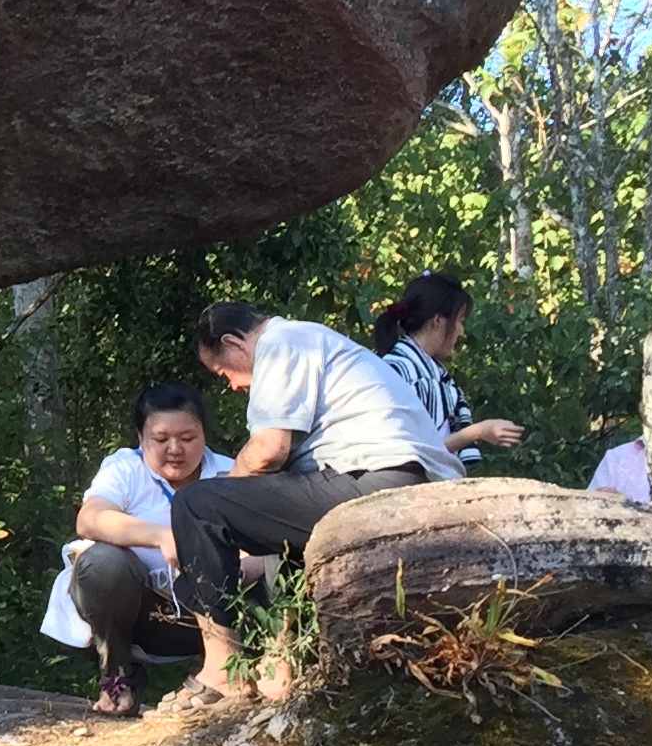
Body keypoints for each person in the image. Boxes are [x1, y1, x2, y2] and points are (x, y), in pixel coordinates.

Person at [170, 301, 461, 706]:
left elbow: (269, 450)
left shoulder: (281, 343)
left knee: (196, 504)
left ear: (234, 343)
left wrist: (224, 501)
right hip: (404, 486)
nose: (233, 386)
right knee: (274, 510)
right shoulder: (312, 338)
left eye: (224, 373)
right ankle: (282, 663)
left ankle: (221, 670)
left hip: (379, 483)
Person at [41, 383, 232, 718]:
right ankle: (118, 676)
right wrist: (163, 536)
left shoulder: (231, 473)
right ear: (140, 437)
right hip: (144, 616)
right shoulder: (125, 469)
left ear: (204, 433)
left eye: (188, 438)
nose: (175, 449)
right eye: (161, 440)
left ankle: (220, 673)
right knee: (100, 564)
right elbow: (89, 519)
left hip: (212, 618)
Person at [371, 271, 525, 468]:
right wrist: (477, 432)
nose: (461, 332)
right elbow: (415, 454)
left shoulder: (431, 373)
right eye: (460, 320)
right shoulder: (407, 373)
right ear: (438, 320)